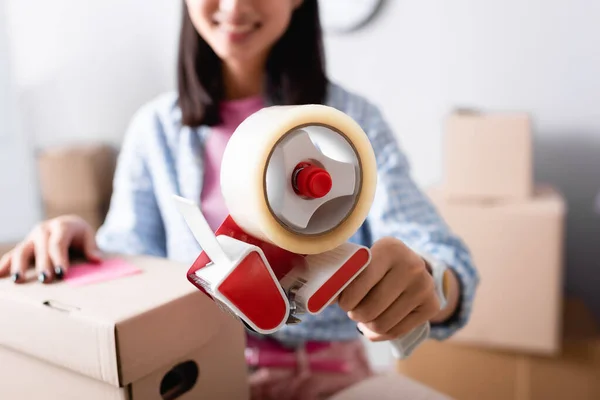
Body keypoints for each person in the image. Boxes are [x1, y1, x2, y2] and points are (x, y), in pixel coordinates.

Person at [0, 0, 479, 398]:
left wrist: (429, 283)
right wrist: (86, 247)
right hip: (192, 373)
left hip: (329, 381)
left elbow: (444, 262)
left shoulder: (352, 123)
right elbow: (132, 260)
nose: (233, 5)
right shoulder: (157, 131)